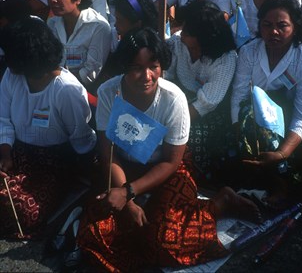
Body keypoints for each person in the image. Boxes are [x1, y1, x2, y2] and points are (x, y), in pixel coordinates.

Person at [78, 28, 260, 271]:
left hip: (165, 170)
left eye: (153, 66)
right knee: (96, 233)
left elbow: (171, 162)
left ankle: (220, 203)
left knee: (164, 241)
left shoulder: (173, 99)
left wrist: (129, 193)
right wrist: (126, 198)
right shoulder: (109, 93)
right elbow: (108, 152)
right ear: (124, 67)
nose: (146, 76)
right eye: (135, 67)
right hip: (122, 167)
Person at [0, 17, 96, 238]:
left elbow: (81, 140)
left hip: (53, 165)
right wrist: (5, 152)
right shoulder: (12, 77)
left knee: (24, 211)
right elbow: (3, 119)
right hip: (16, 152)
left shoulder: (66, 90)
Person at [231, 0, 302, 168]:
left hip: (286, 120)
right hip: (250, 120)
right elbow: (239, 95)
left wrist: (282, 153)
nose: (274, 32)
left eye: (282, 26)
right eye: (267, 25)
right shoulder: (249, 52)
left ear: (295, 27)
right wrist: (241, 137)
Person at [165, 0, 237, 176]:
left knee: (185, 139)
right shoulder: (178, 42)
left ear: (204, 37)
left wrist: (170, 124)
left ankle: (190, 178)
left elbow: (205, 104)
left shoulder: (225, 59)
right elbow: (166, 75)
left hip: (208, 112)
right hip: (179, 99)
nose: (182, 34)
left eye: (188, 32)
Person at [43, 0, 111, 89]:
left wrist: (57, 83)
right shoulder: (52, 23)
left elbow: (90, 75)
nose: (53, 0)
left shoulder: (98, 27)